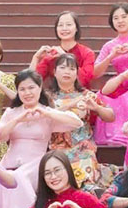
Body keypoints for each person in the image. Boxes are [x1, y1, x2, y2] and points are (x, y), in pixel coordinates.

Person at [0, 70, 82, 208]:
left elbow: (76, 122)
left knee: (18, 178)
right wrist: (17, 120)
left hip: (38, 163)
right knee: (10, 175)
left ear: (39, 89)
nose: (27, 93)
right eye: (22, 89)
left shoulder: (47, 112)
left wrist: (46, 112)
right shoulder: (11, 113)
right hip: (11, 161)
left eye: (31, 88)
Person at [47, 53, 118, 193]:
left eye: (72, 69)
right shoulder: (48, 96)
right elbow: (47, 115)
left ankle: (88, 193)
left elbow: (110, 116)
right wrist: (71, 104)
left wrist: (96, 108)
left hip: (82, 144)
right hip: (57, 145)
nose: (67, 72)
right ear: (55, 72)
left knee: (86, 155)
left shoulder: (86, 95)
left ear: (77, 73)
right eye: (63, 68)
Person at [92, 3, 128, 145]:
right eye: (116, 18)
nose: (120, 21)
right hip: (121, 82)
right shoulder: (109, 45)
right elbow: (95, 73)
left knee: (127, 96)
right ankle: (116, 135)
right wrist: (110, 56)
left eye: (124, 17)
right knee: (106, 94)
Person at [29, 10, 96, 88]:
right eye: (60, 25)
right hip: (56, 97)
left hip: (81, 97)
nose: (64, 28)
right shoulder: (51, 55)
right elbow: (32, 82)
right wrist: (36, 58)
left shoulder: (87, 53)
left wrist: (64, 56)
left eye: (68, 24)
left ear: (76, 28)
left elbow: (84, 80)